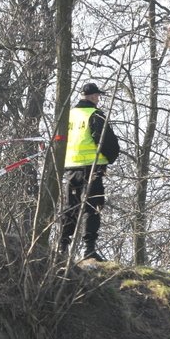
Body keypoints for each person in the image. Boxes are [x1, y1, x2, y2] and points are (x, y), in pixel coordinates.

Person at [60, 82, 121, 261]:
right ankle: (89, 249)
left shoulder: (67, 115)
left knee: (70, 208)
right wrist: (110, 158)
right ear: (93, 96)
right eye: (98, 96)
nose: (98, 99)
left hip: (70, 168)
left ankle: (62, 247)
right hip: (92, 169)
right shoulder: (95, 115)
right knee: (92, 207)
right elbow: (108, 143)